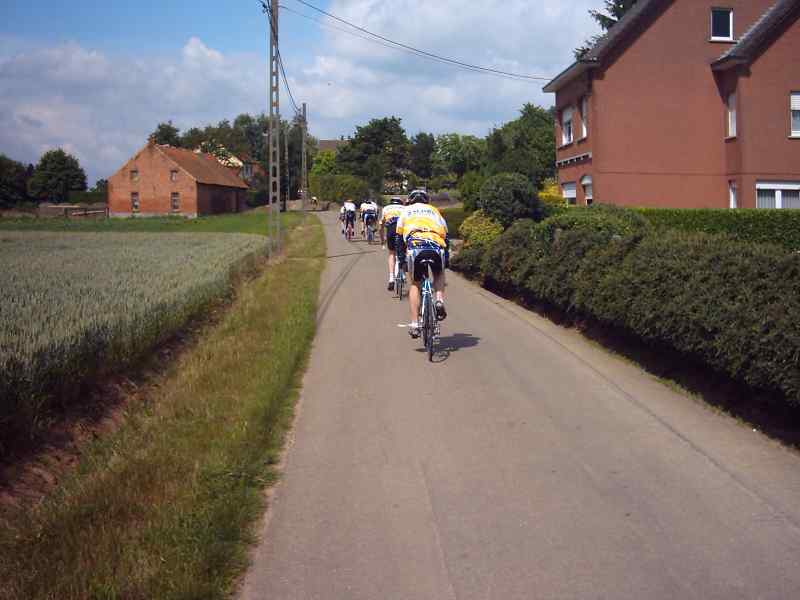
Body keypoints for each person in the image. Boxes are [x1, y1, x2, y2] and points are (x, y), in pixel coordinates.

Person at [396, 189, 448, 338]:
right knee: (439, 273)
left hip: (415, 248)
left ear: (411, 200)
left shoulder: (406, 211)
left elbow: (399, 238)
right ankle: (439, 300)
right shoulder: (434, 211)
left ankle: (414, 324)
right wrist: (447, 260)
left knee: (415, 284)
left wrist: (402, 260)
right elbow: (446, 235)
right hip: (435, 246)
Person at [380, 196, 406, 291]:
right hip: (401, 230)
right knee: (405, 250)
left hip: (390, 229)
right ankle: (402, 272)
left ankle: (391, 278)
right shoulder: (405, 208)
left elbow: (381, 226)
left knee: (391, 253)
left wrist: (382, 240)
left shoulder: (386, 208)